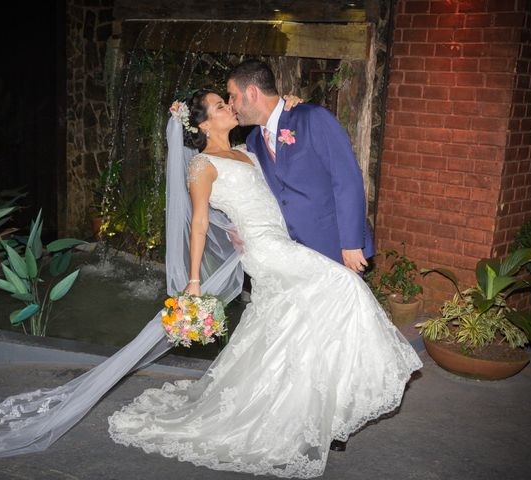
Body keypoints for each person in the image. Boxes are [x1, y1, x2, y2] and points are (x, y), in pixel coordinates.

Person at [107, 90, 422, 478]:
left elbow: (276, 160)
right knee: (345, 286)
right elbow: (201, 223)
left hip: (282, 241)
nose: (229, 107)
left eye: (229, 100)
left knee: (291, 326)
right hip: (266, 250)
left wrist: (289, 105)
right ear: (203, 123)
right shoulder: (202, 166)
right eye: (221, 105)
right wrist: (193, 281)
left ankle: (309, 405)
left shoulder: (248, 147)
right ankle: (356, 385)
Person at [226, 59, 375, 274]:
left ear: (251, 92)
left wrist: (352, 243)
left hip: (335, 246)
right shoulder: (253, 142)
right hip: (292, 255)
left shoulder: (313, 118)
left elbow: (347, 179)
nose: (230, 104)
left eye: (232, 96)